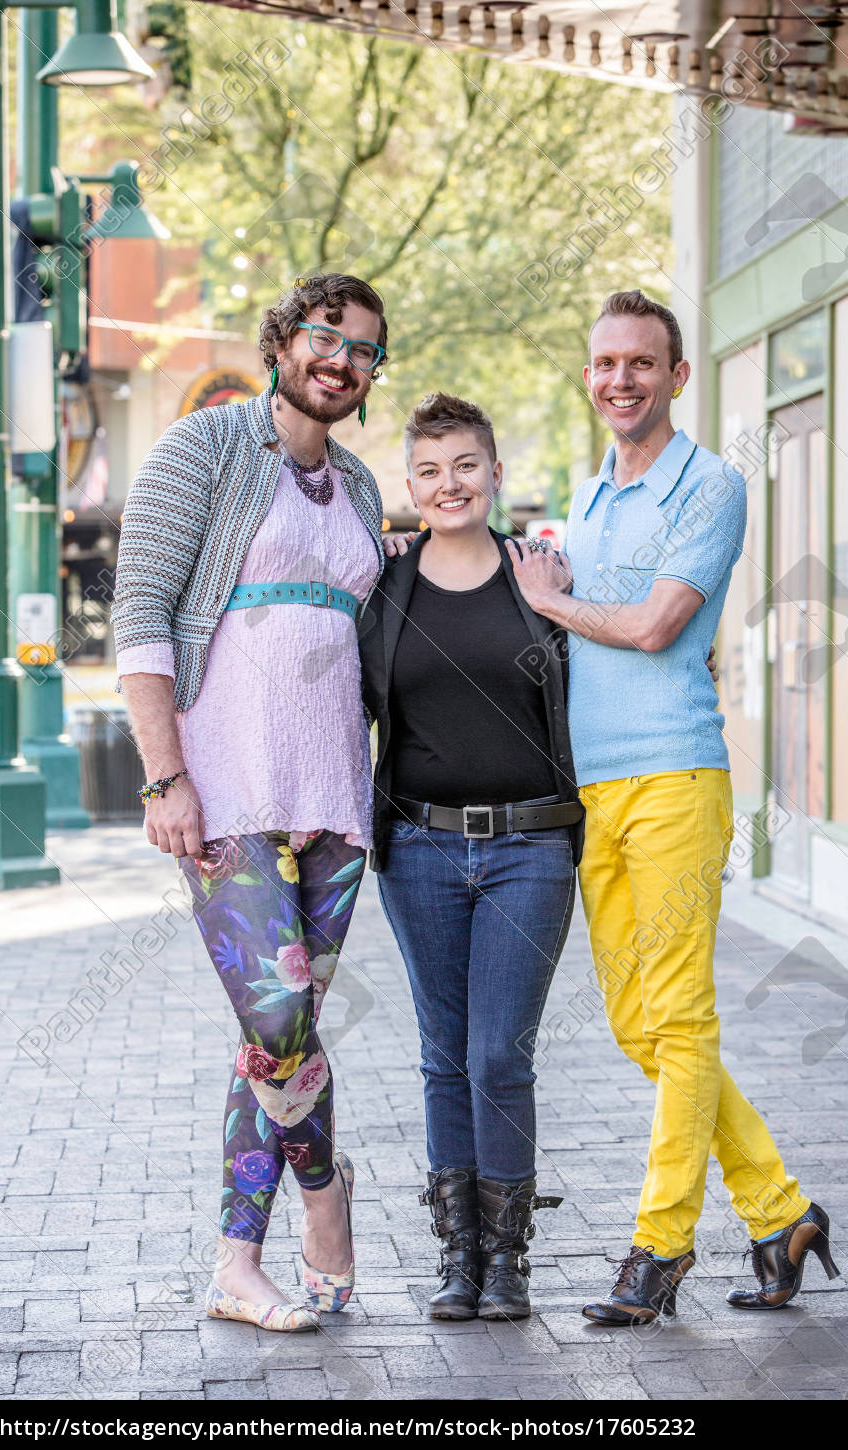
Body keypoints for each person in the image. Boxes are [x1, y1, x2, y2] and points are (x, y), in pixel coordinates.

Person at [505, 289, 840, 1325]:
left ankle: (657, 1247)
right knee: (641, 1027)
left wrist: (549, 600)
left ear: (677, 377)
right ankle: (781, 1212)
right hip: (592, 787)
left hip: (677, 780)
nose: (619, 379)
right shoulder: (592, 493)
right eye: (605, 362)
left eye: (641, 363)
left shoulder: (713, 485)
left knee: (682, 1017)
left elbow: (653, 627)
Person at [112, 273, 388, 1332]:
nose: (340, 358)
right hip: (225, 793)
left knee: (275, 1038)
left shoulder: (361, 488)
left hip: (335, 798)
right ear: (283, 341)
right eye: (325, 336)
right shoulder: (204, 450)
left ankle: (238, 1263)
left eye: (363, 348)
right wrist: (164, 775)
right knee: (278, 1022)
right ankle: (326, 1202)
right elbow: (139, 613)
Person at [359, 393, 585, 1321]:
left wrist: (563, 600)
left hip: (529, 848)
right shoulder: (385, 587)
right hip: (417, 846)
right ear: (410, 486)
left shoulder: (540, 580)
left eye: (465, 466)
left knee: (500, 1053)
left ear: (494, 472)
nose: (448, 484)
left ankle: (511, 1261)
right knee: (442, 1055)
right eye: (428, 470)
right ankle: (460, 1259)